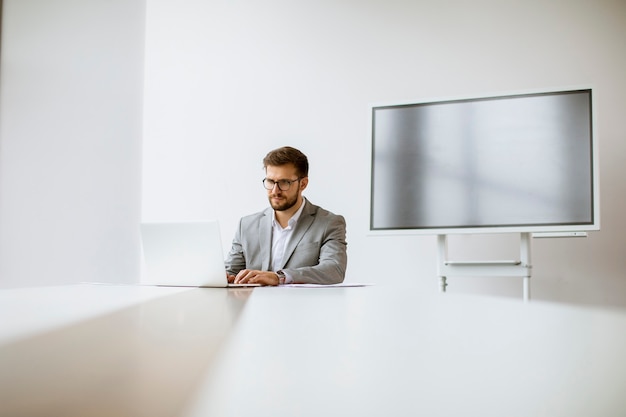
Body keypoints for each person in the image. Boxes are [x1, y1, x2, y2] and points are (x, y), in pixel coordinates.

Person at [225, 146, 347, 286]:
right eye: (270, 181)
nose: (275, 191)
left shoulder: (329, 223)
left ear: (303, 184)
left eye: (284, 182)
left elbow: (334, 270)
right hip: (254, 305)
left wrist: (280, 277)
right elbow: (231, 271)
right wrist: (222, 276)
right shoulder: (246, 225)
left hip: (304, 306)